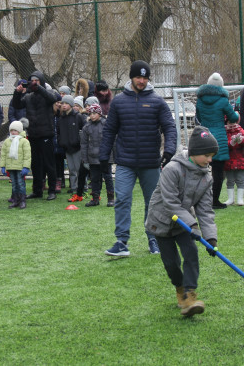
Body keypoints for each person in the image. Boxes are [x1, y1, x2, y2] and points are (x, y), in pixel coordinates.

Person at [100, 60, 177, 256]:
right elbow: (109, 130)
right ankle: (121, 242)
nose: (142, 80)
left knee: (152, 203)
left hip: (151, 162)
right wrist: (103, 155)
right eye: (138, 77)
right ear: (131, 77)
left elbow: (169, 126)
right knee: (122, 200)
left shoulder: (157, 101)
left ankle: (154, 239)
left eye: (145, 77)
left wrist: (169, 150)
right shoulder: (118, 101)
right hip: (125, 162)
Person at [144, 126, 219, 317]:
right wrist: (192, 225)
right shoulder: (172, 169)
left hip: (183, 224)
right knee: (172, 264)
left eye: (212, 155)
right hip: (160, 222)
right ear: (194, 153)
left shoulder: (206, 177)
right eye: (207, 155)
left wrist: (211, 238)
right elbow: (170, 202)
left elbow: (205, 209)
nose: (210, 160)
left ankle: (190, 295)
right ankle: (180, 288)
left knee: (191, 254)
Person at [12, 71, 59, 200]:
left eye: (36, 81)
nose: (33, 83)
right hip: (32, 135)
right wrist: (17, 92)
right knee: (35, 164)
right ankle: (37, 190)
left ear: (41, 82)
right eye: (32, 81)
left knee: (49, 164)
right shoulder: (28, 96)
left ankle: (52, 190)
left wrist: (39, 89)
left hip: (46, 135)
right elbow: (16, 105)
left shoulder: (47, 94)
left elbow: (54, 99)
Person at [195, 72, 239, 208]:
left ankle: (199, 200)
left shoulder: (200, 100)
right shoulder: (223, 100)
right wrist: (235, 114)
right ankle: (215, 201)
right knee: (218, 172)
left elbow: (198, 117)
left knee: (200, 171)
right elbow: (233, 118)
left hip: (204, 136)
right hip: (218, 137)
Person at [80, 104, 114, 207]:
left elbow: (112, 141)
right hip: (92, 158)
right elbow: (84, 144)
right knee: (94, 178)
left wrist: (112, 157)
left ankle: (111, 198)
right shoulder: (86, 127)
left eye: (94, 113)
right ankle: (95, 198)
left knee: (108, 178)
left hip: (105, 158)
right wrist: (85, 160)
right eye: (90, 113)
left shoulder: (106, 124)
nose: (92, 116)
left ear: (99, 113)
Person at [0, 121, 32, 209]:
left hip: (20, 167)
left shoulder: (24, 141)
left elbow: (27, 155)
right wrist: (3, 166)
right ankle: (15, 200)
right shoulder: (7, 141)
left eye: (15, 130)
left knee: (21, 184)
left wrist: (26, 167)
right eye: (11, 130)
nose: (13, 132)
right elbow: (3, 155)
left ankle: (22, 200)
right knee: (14, 184)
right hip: (11, 167)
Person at [59, 95, 86, 195]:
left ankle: (83, 187)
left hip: (77, 147)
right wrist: (61, 141)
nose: (64, 105)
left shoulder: (77, 116)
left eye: (66, 103)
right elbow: (59, 132)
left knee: (79, 169)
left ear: (70, 105)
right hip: (67, 148)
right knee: (71, 169)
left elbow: (83, 130)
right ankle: (74, 187)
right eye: (62, 103)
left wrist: (79, 141)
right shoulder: (61, 118)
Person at [223, 115, 244, 206]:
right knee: (229, 180)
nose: (232, 124)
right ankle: (230, 199)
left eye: (234, 122)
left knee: (240, 179)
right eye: (230, 122)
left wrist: (241, 141)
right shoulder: (224, 131)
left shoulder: (240, 130)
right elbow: (223, 144)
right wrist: (231, 143)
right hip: (229, 159)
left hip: (240, 159)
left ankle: (240, 199)